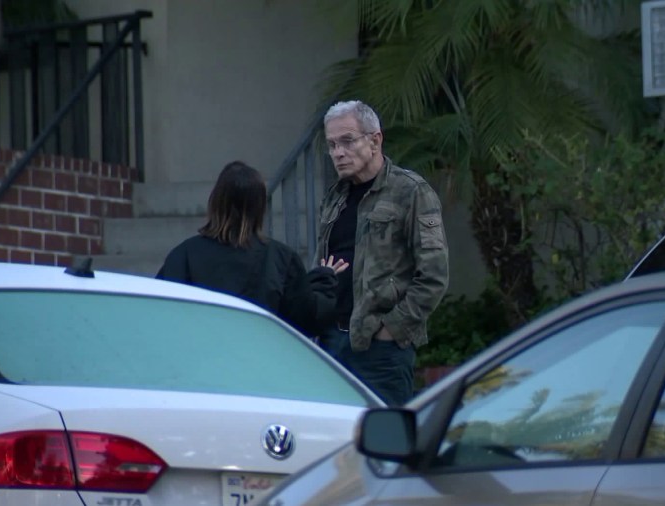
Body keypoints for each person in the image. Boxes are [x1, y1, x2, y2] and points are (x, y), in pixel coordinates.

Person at [315, 100, 449, 405]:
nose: (338, 152)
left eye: (347, 141)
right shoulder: (335, 197)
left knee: (387, 439)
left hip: (381, 349)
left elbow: (434, 275)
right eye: (332, 144)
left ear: (375, 140)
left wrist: (392, 328)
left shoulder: (411, 191)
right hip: (332, 342)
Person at [157, 160, 348, 336]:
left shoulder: (184, 255)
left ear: (215, 201)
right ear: (260, 207)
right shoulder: (280, 259)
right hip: (261, 363)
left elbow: (162, 312)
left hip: (203, 362)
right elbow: (307, 318)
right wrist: (325, 279)